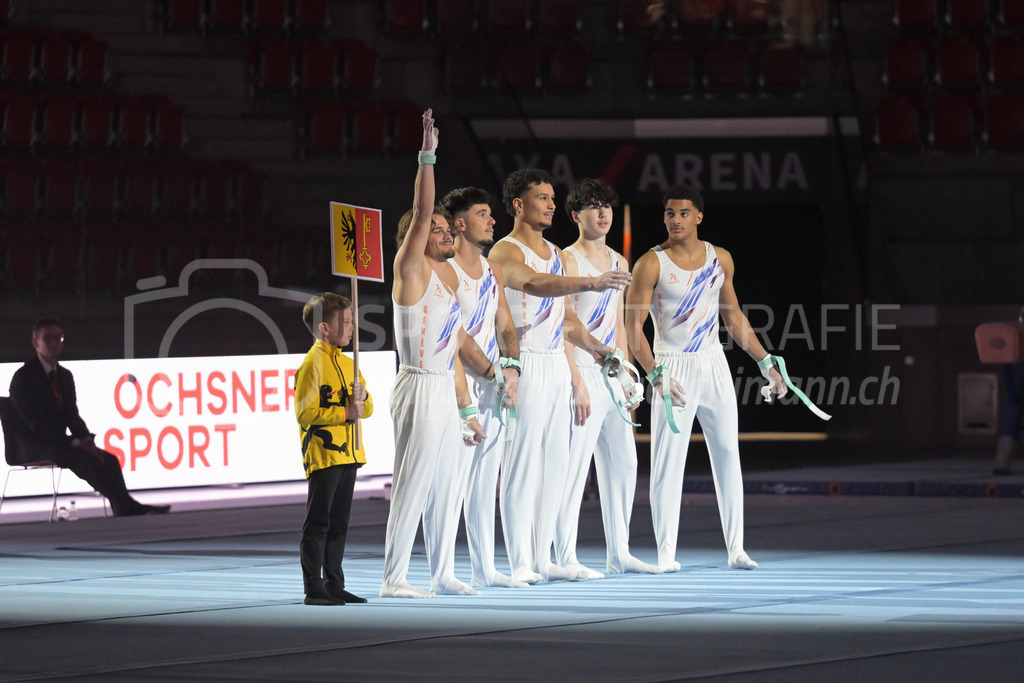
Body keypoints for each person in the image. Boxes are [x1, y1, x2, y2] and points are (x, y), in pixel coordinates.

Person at [625, 184, 786, 572]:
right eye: (668, 213)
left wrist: (766, 362)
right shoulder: (651, 263)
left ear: (699, 216)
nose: (675, 219)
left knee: (728, 454)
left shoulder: (721, 259)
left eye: (683, 213)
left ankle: (737, 548)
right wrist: (655, 375)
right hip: (671, 365)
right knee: (668, 460)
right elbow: (634, 328)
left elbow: (733, 317)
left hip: (713, 363)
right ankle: (665, 553)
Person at [488, 168, 630, 585]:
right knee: (522, 464)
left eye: (553, 197)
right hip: (525, 361)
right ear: (518, 205)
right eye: (543, 198)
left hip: (554, 360)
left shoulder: (553, 250)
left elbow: (566, 320)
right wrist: (592, 281)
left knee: (556, 465)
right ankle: (519, 562)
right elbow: (533, 285)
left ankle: (545, 556)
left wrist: (602, 351)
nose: (552, 204)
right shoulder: (504, 251)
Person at [381, 109, 485, 599]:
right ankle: (393, 578)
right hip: (418, 382)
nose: (448, 235)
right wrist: (428, 154)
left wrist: (471, 404)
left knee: (449, 482)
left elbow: (458, 344)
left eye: (449, 230)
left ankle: (442, 571)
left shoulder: (449, 278)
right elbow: (422, 213)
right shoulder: (411, 268)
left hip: (444, 383)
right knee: (414, 481)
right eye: (441, 231)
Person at [555, 178, 662, 578]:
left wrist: (628, 376)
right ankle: (564, 556)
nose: (602, 214)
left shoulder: (620, 261)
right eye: (592, 207)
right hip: (581, 369)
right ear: (575, 215)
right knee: (574, 467)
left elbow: (618, 324)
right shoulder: (565, 260)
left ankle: (620, 552)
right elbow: (563, 324)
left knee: (624, 462)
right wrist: (575, 381)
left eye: (607, 207)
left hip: (612, 372)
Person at [434, 186, 524, 589]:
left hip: (492, 381)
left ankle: (484, 568)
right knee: (451, 481)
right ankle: (442, 572)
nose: (492, 220)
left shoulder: (492, 270)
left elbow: (505, 324)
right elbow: (455, 335)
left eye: (491, 213)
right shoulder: (445, 270)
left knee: (486, 481)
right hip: (459, 383)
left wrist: (513, 368)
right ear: (460, 223)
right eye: (483, 213)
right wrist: (492, 372)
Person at [7, 319, 171, 517]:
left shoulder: (64, 376)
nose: (53, 343)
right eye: (47, 338)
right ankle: (126, 506)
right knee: (82, 457)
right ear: (36, 342)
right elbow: (37, 425)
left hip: (59, 442)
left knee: (108, 459)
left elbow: (71, 415)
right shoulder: (23, 378)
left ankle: (123, 505)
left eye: (58, 338)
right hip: (32, 444)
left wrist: (86, 440)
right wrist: (76, 443)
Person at [294, 292, 372, 606]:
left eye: (352, 320)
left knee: (339, 524)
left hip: (350, 453)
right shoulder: (312, 364)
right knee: (319, 522)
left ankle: (334, 583)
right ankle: (314, 586)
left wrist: (362, 398)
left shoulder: (349, 363)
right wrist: (345, 413)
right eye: (346, 321)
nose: (352, 327)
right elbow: (305, 413)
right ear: (324, 328)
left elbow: (368, 409)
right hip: (325, 455)